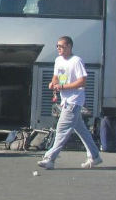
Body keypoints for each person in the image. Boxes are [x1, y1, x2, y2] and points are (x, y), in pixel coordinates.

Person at [37, 36, 102, 170]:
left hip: (74, 101)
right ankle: (95, 156)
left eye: (61, 46)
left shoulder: (76, 61)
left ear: (69, 47)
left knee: (61, 130)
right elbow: (56, 77)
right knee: (82, 130)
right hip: (65, 101)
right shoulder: (58, 60)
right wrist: (53, 83)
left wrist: (62, 87)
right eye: (57, 46)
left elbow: (82, 82)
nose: (58, 49)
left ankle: (50, 158)